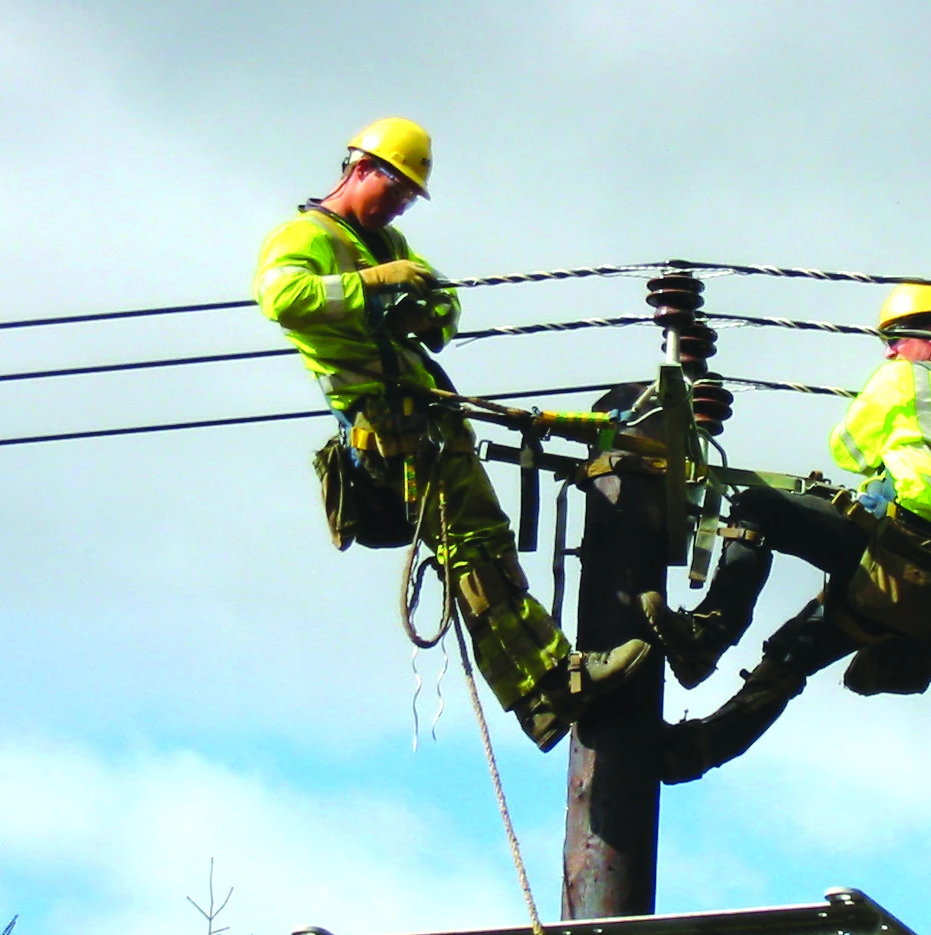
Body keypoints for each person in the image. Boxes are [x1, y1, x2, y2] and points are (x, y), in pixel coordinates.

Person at [254, 118, 649, 750]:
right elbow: (282, 298)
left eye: (410, 197)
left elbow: (444, 300)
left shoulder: (388, 242)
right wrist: (371, 285)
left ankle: (543, 695)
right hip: (386, 426)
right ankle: (550, 680)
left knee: (483, 547)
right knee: (473, 548)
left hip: (427, 419)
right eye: (397, 190)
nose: (401, 206)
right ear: (362, 169)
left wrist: (427, 311)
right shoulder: (304, 235)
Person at [642, 282, 931, 782]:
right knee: (789, 658)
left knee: (757, 507)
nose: (889, 351)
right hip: (924, 582)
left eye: (895, 339)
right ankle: (691, 755)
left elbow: (849, 448)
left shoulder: (904, 377)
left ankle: (707, 636)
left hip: (889, 541)